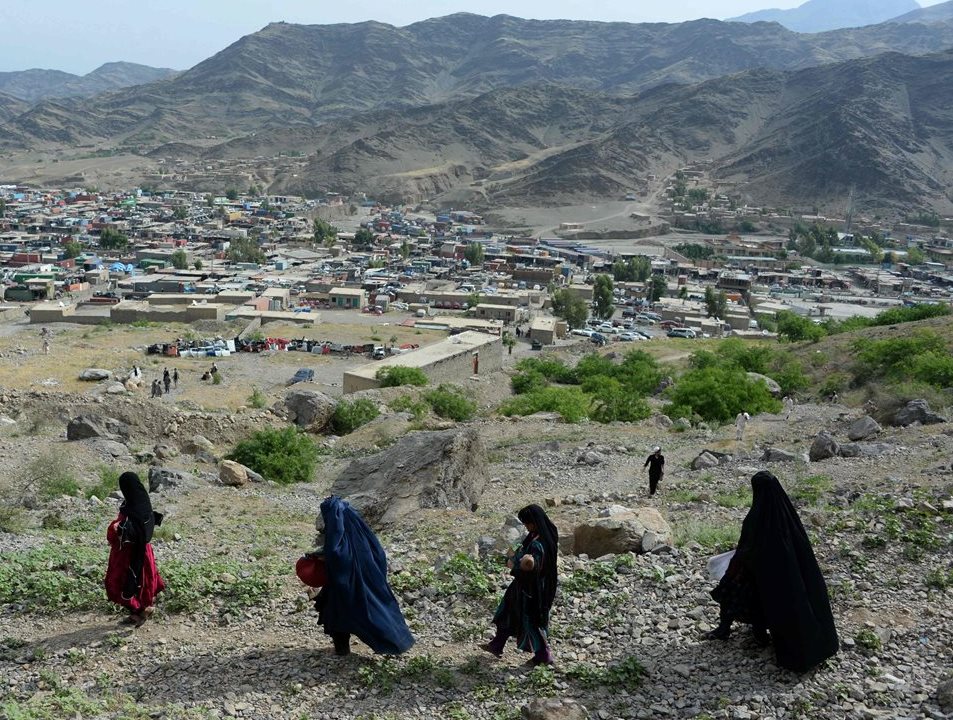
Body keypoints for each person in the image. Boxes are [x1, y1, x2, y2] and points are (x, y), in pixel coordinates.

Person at [707, 471, 839, 673]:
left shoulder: (757, 518)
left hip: (755, 570)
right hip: (783, 577)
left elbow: (748, 547)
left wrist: (737, 564)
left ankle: (729, 630)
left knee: (731, 592)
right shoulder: (787, 516)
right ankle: (761, 634)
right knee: (775, 603)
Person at [312, 496, 414, 657]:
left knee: (338, 613)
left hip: (346, 586)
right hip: (367, 583)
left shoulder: (338, 535)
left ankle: (388, 644)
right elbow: (378, 555)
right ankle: (395, 642)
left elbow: (337, 554)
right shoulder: (360, 532)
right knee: (375, 611)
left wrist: (322, 558)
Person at [481, 505, 558, 666]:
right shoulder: (541, 535)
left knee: (533, 620)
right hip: (523, 587)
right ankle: (497, 645)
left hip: (532, 590)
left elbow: (532, 568)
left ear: (534, 522)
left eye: (527, 523)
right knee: (507, 612)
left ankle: (544, 655)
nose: (526, 526)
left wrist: (515, 566)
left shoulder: (538, 544)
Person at [104, 472, 165, 627]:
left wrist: (115, 528)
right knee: (142, 581)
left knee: (125, 582)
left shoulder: (132, 507)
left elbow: (128, 532)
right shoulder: (141, 501)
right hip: (144, 552)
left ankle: (141, 611)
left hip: (130, 554)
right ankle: (140, 611)